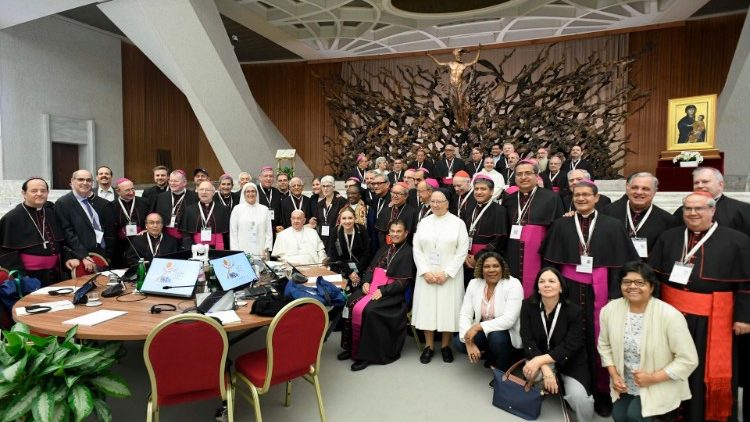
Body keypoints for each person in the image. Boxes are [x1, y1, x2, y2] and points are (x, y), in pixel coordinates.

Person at [540, 179, 639, 417]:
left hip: (601, 291)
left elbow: (621, 266)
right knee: (569, 334)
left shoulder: (613, 225)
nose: (581, 198)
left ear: (596, 198)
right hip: (569, 289)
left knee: (600, 339)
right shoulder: (561, 224)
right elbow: (551, 264)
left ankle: (602, 390)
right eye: (577, 195)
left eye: (586, 194)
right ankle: (569, 382)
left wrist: (615, 295)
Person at [649, 192, 750, 422]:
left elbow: (746, 283)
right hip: (671, 315)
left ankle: (700, 415)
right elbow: (653, 276)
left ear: (713, 210)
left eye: (699, 208)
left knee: (701, 370)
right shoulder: (669, 236)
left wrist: (744, 317)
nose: (693, 213)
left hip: (712, 320)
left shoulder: (737, 240)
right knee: (670, 363)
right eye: (688, 209)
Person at [598, 261, 699, 422]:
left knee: (635, 416)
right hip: (624, 382)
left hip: (658, 382)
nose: (632, 286)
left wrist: (653, 378)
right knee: (618, 416)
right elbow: (604, 345)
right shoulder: (609, 310)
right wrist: (614, 375)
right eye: (627, 282)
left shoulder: (670, 316)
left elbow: (688, 360)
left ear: (651, 287)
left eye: (640, 282)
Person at [338, 219, 414, 371]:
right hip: (372, 287)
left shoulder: (409, 252)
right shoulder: (384, 248)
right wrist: (366, 282)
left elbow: (403, 282)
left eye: (399, 231)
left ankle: (366, 355)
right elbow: (371, 268)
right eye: (392, 231)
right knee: (350, 301)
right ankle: (352, 347)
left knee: (370, 310)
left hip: (392, 294)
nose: (395, 234)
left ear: (406, 233)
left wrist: (383, 291)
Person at [520, 267, 594, 419]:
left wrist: (539, 361)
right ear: (538, 288)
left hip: (570, 361)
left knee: (579, 399)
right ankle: (545, 384)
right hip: (540, 356)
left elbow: (570, 345)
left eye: (552, 281)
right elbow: (527, 339)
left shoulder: (574, 311)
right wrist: (545, 368)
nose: (546, 284)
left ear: (561, 287)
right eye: (542, 281)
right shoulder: (527, 306)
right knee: (530, 372)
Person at [412, 190, 470, 364]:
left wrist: (447, 273)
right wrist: (425, 271)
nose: (435, 205)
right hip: (427, 274)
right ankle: (429, 346)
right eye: (433, 201)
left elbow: (462, 251)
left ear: (447, 203)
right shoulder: (424, 222)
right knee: (427, 309)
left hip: (449, 275)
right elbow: (416, 248)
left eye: (440, 201)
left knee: (448, 309)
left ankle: (445, 346)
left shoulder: (458, 223)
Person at [0, 178, 78, 285]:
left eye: (43, 191)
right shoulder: (12, 218)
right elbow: (6, 253)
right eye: (34, 191)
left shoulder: (52, 213)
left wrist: (68, 258)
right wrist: (22, 278)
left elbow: (62, 243)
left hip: (56, 273)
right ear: (24, 193)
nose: (39, 194)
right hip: (29, 276)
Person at [503, 160, 563, 297]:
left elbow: (557, 231)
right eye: (519, 174)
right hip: (512, 253)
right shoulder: (509, 199)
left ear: (536, 176)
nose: (523, 177)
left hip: (540, 254)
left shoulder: (552, 197)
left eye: (528, 173)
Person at [454, 252, 522, 373]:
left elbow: (509, 320)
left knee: (496, 337)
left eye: (495, 266)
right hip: (486, 330)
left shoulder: (513, 284)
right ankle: (491, 354)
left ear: (502, 268)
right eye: (487, 266)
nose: (491, 270)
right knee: (459, 343)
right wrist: (469, 342)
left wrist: (477, 327)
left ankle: (502, 370)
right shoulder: (474, 283)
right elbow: (465, 314)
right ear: (481, 268)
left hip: (506, 332)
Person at [602, 173, 675, 260]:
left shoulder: (667, 220)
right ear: (627, 188)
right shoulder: (608, 212)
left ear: (654, 191)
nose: (639, 192)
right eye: (635, 188)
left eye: (645, 189)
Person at [55, 169, 115, 269]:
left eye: (88, 180)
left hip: (99, 253)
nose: (85, 183)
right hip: (81, 258)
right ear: (72, 181)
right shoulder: (63, 203)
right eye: (81, 179)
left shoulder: (90, 201)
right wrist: (83, 255)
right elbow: (68, 233)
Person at [672, 167, 750, 236]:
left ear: (720, 185)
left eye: (705, 182)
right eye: (696, 183)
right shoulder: (683, 210)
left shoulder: (742, 209)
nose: (700, 186)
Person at [463, 176, 508, 275]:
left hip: (488, 259)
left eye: (483, 189)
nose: (479, 192)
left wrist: (477, 257)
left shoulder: (499, 210)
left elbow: (499, 240)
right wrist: (464, 255)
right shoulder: (469, 208)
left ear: (491, 191)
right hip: (466, 258)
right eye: (476, 189)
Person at [326, 207, 371, 293]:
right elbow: (335, 256)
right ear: (340, 219)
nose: (347, 221)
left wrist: (356, 272)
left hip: (359, 266)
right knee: (337, 291)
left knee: (357, 291)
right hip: (341, 266)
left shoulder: (361, 229)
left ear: (355, 218)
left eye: (350, 218)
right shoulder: (335, 231)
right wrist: (350, 272)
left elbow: (366, 253)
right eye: (344, 218)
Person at [108, 178, 148, 267]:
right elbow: (110, 227)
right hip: (120, 245)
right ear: (118, 191)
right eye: (127, 190)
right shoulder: (111, 205)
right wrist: (118, 232)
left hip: (141, 242)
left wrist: (145, 229)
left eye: (132, 189)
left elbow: (149, 219)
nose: (131, 192)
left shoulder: (144, 202)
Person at [179, 181, 229, 250]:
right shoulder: (189, 210)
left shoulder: (223, 209)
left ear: (213, 192)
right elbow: (185, 233)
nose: (204, 192)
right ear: (198, 192)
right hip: (195, 248)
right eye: (201, 189)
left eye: (207, 190)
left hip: (217, 247)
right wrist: (190, 248)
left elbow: (226, 234)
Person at [151, 170, 198, 242]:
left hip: (186, 236)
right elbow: (153, 214)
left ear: (184, 182)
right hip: (165, 236)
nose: (172, 183)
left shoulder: (194, 197)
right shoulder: (161, 197)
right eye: (170, 180)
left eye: (176, 181)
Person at [229, 183, 272, 259]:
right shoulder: (237, 209)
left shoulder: (264, 209)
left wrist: (267, 248)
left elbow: (268, 231)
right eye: (248, 191)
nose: (250, 194)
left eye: (253, 191)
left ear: (256, 193)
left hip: (261, 251)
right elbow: (233, 233)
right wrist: (236, 252)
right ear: (244, 194)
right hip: (242, 250)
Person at [375, 182, 417, 246]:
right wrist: (384, 247)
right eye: (393, 192)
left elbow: (410, 236)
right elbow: (380, 233)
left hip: (404, 247)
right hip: (385, 247)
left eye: (398, 193)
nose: (395, 196)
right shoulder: (385, 210)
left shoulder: (411, 212)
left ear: (406, 196)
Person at [315, 175, 348, 248]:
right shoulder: (320, 204)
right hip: (323, 238)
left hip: (337, 238)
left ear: (333, 187)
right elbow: (318, 221)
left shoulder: (341, 201)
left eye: (328, 186)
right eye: (323, 186)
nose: (325, 188)